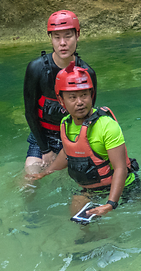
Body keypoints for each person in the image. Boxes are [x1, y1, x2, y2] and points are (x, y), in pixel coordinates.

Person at [30, 64, 139, 218]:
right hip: (91, 189)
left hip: (125, 187)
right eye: (72, 97)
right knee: (78, 220)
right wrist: (46, 173)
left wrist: (111, 203)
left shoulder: (107, 125)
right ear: (61, 100)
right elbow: (67, 153)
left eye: (84, 95)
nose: (79, 102)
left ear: (91, 95)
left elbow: (120, 168)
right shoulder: (66, 124)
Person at [23, 10, 98, 175]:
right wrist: (46, 150)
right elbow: (30, 112)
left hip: (72, 137)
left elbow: (87, 116)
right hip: (42, 137)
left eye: (68, 36)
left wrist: (73, 146)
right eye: (57, 37)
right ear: (51, 39)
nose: (62, 43)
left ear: (77, 36)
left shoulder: (87, 73)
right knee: (30, 181)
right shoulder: (36, 69)